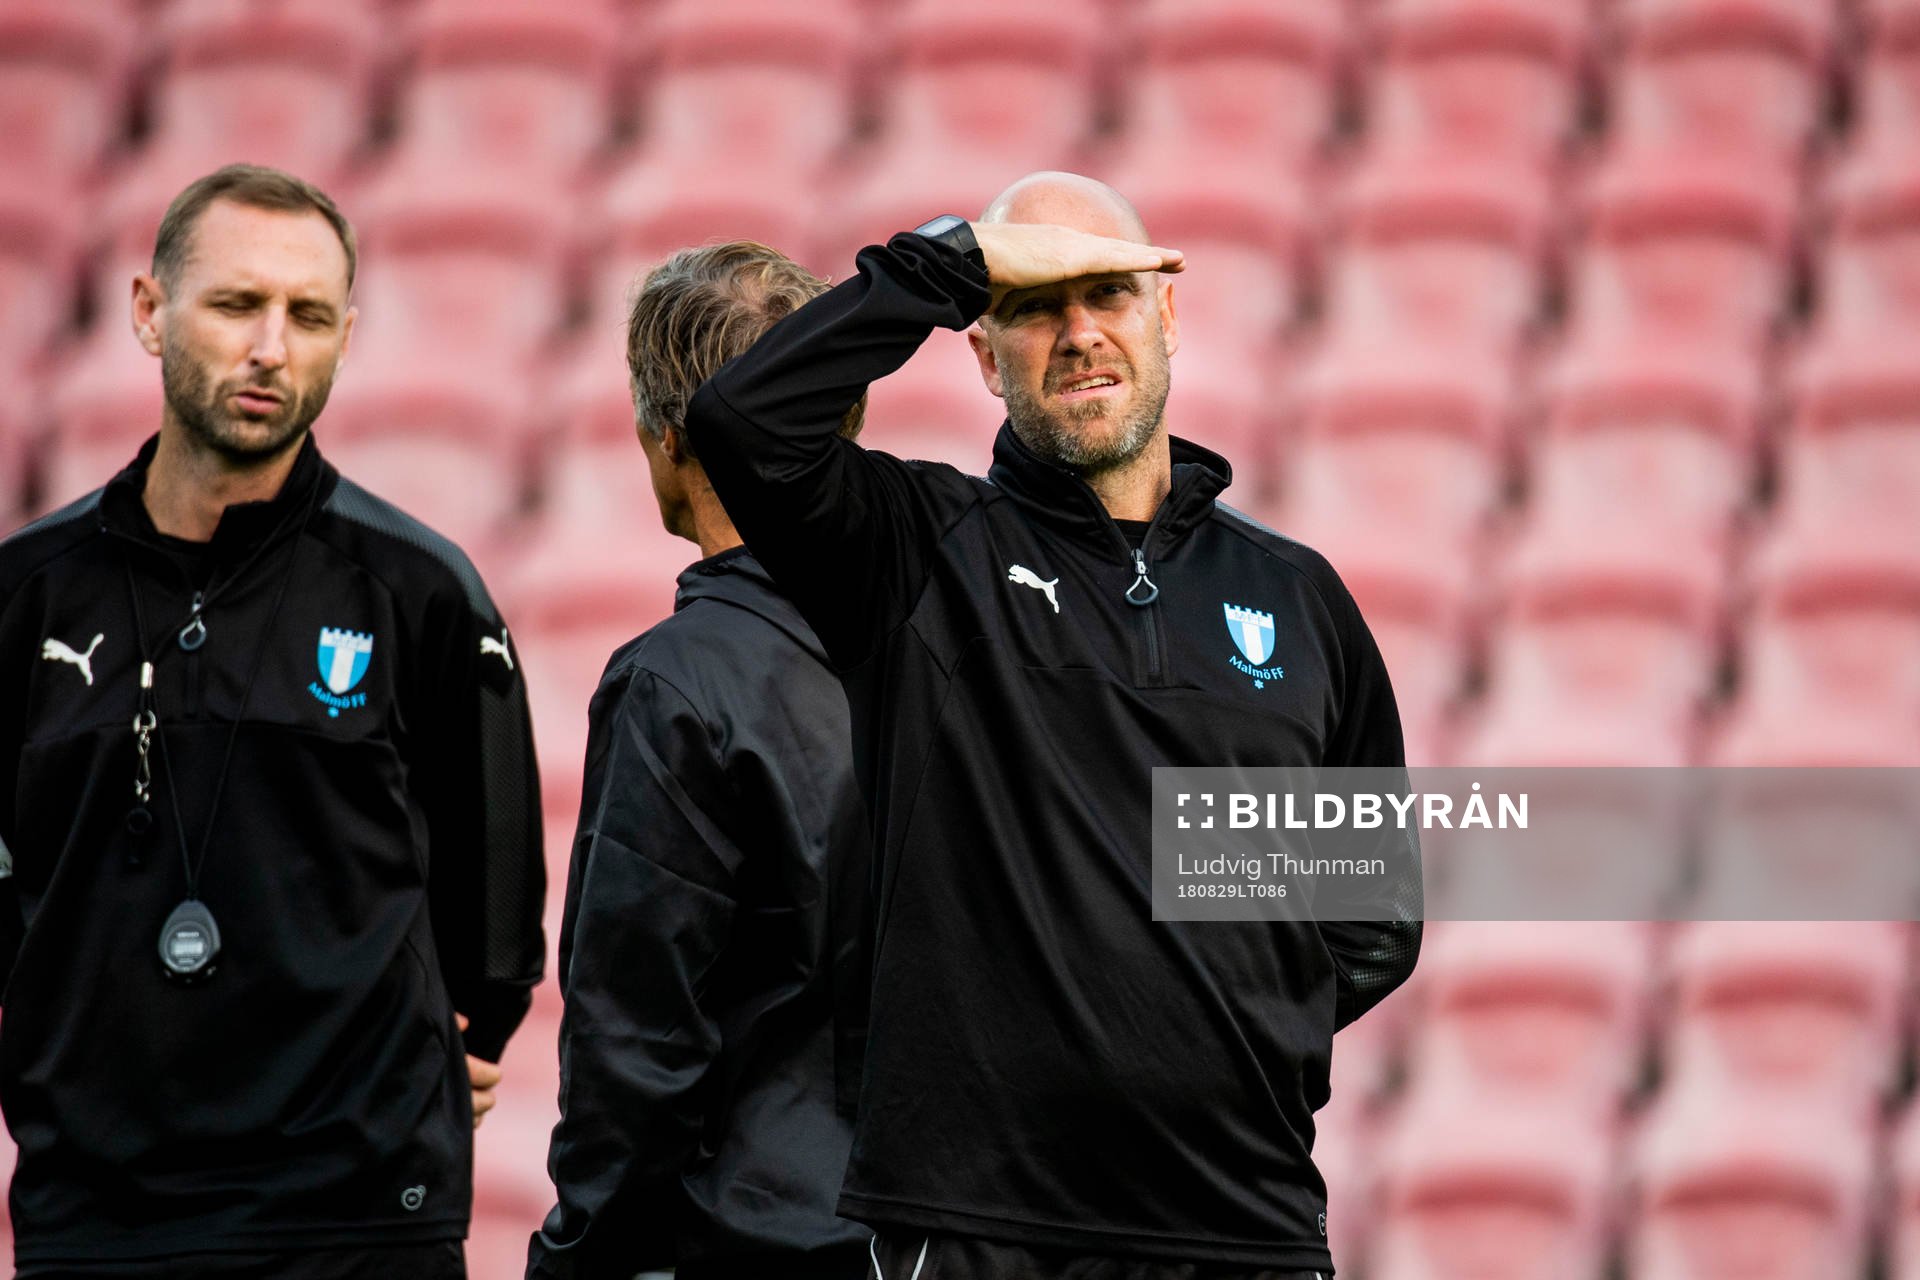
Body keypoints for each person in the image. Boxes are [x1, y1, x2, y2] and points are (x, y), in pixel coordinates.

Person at [683, 172, 1422, 1280]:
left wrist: (1220, 1020)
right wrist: (956, 263)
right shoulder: (918, 551)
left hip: (1240, 1224)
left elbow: (1369, 919)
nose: (1080, 333)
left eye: (1109, 293)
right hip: (982, 1229)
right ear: (983, 353)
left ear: (1166, 312)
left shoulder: (1299, 597)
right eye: (1037, 303)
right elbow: (741, 424)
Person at [0, 164, 546, 1278]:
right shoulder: (26, 594)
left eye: (307, 316)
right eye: (236, 304)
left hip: (355, 1217)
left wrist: (451, 1048)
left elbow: (495, 922)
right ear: (150, 312)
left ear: (346, 335)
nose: (270, 348)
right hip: (97, 1218)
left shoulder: (422, 590)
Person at [527, 242, 873, 1280]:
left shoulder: (677, 688)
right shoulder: (973, 631)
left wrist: (577, 1259)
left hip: (757, 1243)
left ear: (668, 436)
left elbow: (637, 1046)